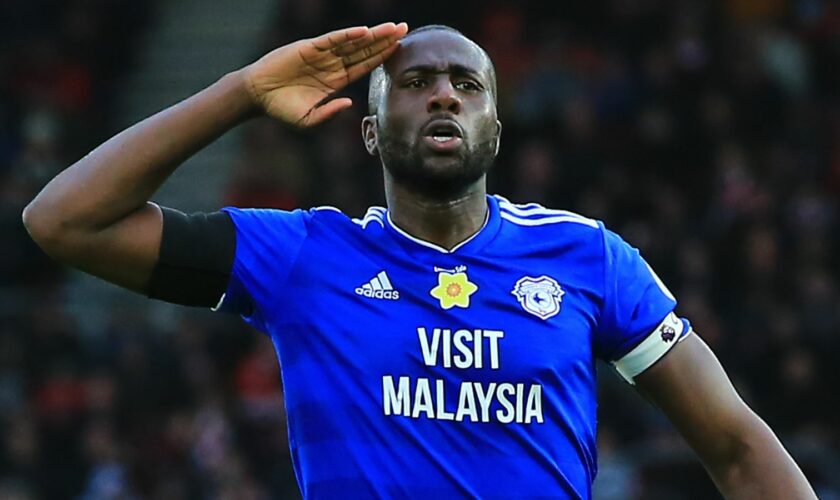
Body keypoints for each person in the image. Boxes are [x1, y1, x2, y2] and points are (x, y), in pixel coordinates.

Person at [22, 22, 816, 499]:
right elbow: (66, 221)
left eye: (467, 84)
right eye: (415, 82)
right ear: (370, 132)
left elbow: (740, 448)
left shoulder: (589, 258)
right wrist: (241, 90)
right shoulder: (304, 254)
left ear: (495, 133)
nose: (443, 95)